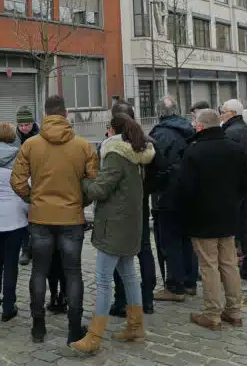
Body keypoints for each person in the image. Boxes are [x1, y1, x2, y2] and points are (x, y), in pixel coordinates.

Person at [11, 95, 98, 346]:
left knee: (39, 270)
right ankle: (74, 328)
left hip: (40, 217)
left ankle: (38, 326)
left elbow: (17, 181)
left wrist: (33, 198)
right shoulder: (83, 146)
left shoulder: (30, 145)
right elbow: (93, 183)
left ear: (45, 115)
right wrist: (80, 202)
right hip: (71, 217)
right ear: (66, 114)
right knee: (73, 273)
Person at [71, 114, 155, 354]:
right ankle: (136, 326)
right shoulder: (138, 151)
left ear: (111, 131)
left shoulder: (116, 154)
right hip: (129, 224)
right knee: (129, 274)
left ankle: (94, 336)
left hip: (114, 226)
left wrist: (83, 180)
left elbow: (99, 190)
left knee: (103, 280)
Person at [178, 109, 247, 331]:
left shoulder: (194, 151)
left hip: (202, 217)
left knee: (209, 265)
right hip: (229, 214)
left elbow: (185, 188)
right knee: (229, 263)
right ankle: (234, 311)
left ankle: (212, 314)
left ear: (200, 126)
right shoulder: (235, 148)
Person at [107, 101, 159, 317]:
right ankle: (147, 300)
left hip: (119, 205)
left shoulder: (112, 145)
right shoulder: (148, 144)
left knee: (119, 252)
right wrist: (145, 190)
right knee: (144, 248)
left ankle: (121, 301)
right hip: (140, 202)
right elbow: (159, 174)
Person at [149, 96, 198, 302]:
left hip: (167, 195)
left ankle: (175, 286)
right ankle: (190, 282)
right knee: (187, 238)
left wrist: (152, 186)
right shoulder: (190, 129)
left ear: (159, 113)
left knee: (170, 240)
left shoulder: (160, 134)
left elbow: (155, 165)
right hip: (190, 193)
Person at [0, 122, 29, 322]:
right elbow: (25, 187)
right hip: (15, 217)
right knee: (11, 263)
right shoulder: (19, 158)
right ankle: (9, 306)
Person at [221, 99, 247, 283]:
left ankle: (245, 266)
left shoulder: (230, 133)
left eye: (223, 111)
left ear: (232, 113)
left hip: (236, 188)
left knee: (239, 228)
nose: (221, 115)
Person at [15, 106, 38, 267]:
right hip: (21, 180)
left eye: (26, 125)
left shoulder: (40, 135)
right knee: (23, 217)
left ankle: (37, 249)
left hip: (37, 179)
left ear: (32, 123)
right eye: (21, 125)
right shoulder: (14, 138)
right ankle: (25, 249)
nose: (23, 128)